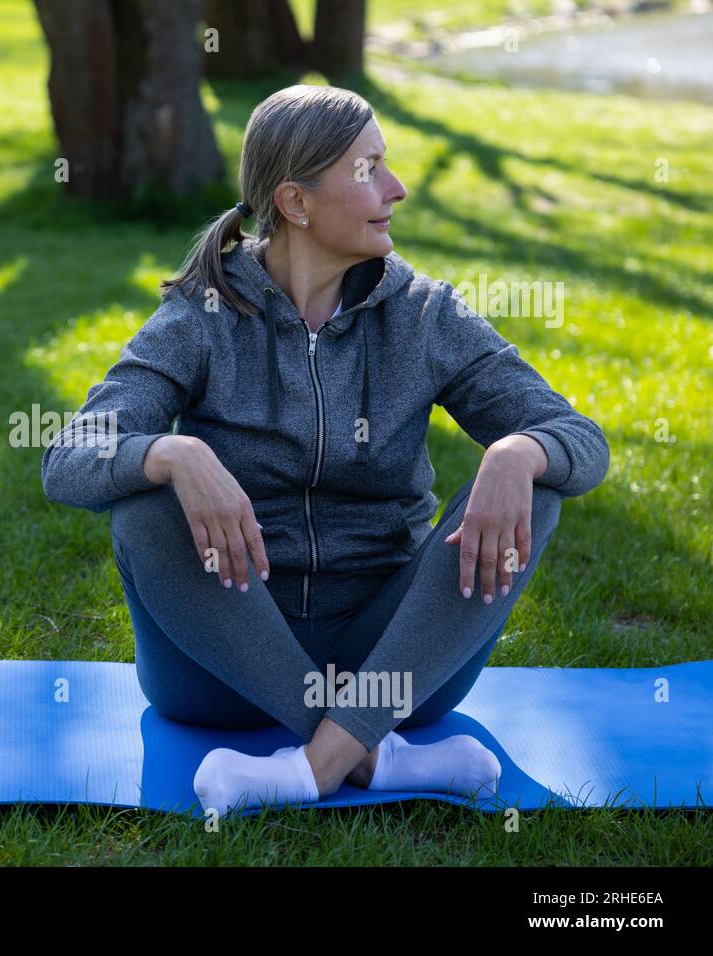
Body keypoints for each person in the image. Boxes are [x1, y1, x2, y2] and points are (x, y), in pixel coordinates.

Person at [39, 84, 610, 817]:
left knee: (533, 482)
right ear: (296, 203)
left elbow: (580, 442)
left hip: (393, 662)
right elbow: (68, 459)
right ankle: (377, 758)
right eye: (368, 168)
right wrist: (172, 456)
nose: (396, 189)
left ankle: (319, 764)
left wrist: (516, 453)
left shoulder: (424, 315)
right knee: (146, 506)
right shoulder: (201, 314)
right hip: (224, 672)